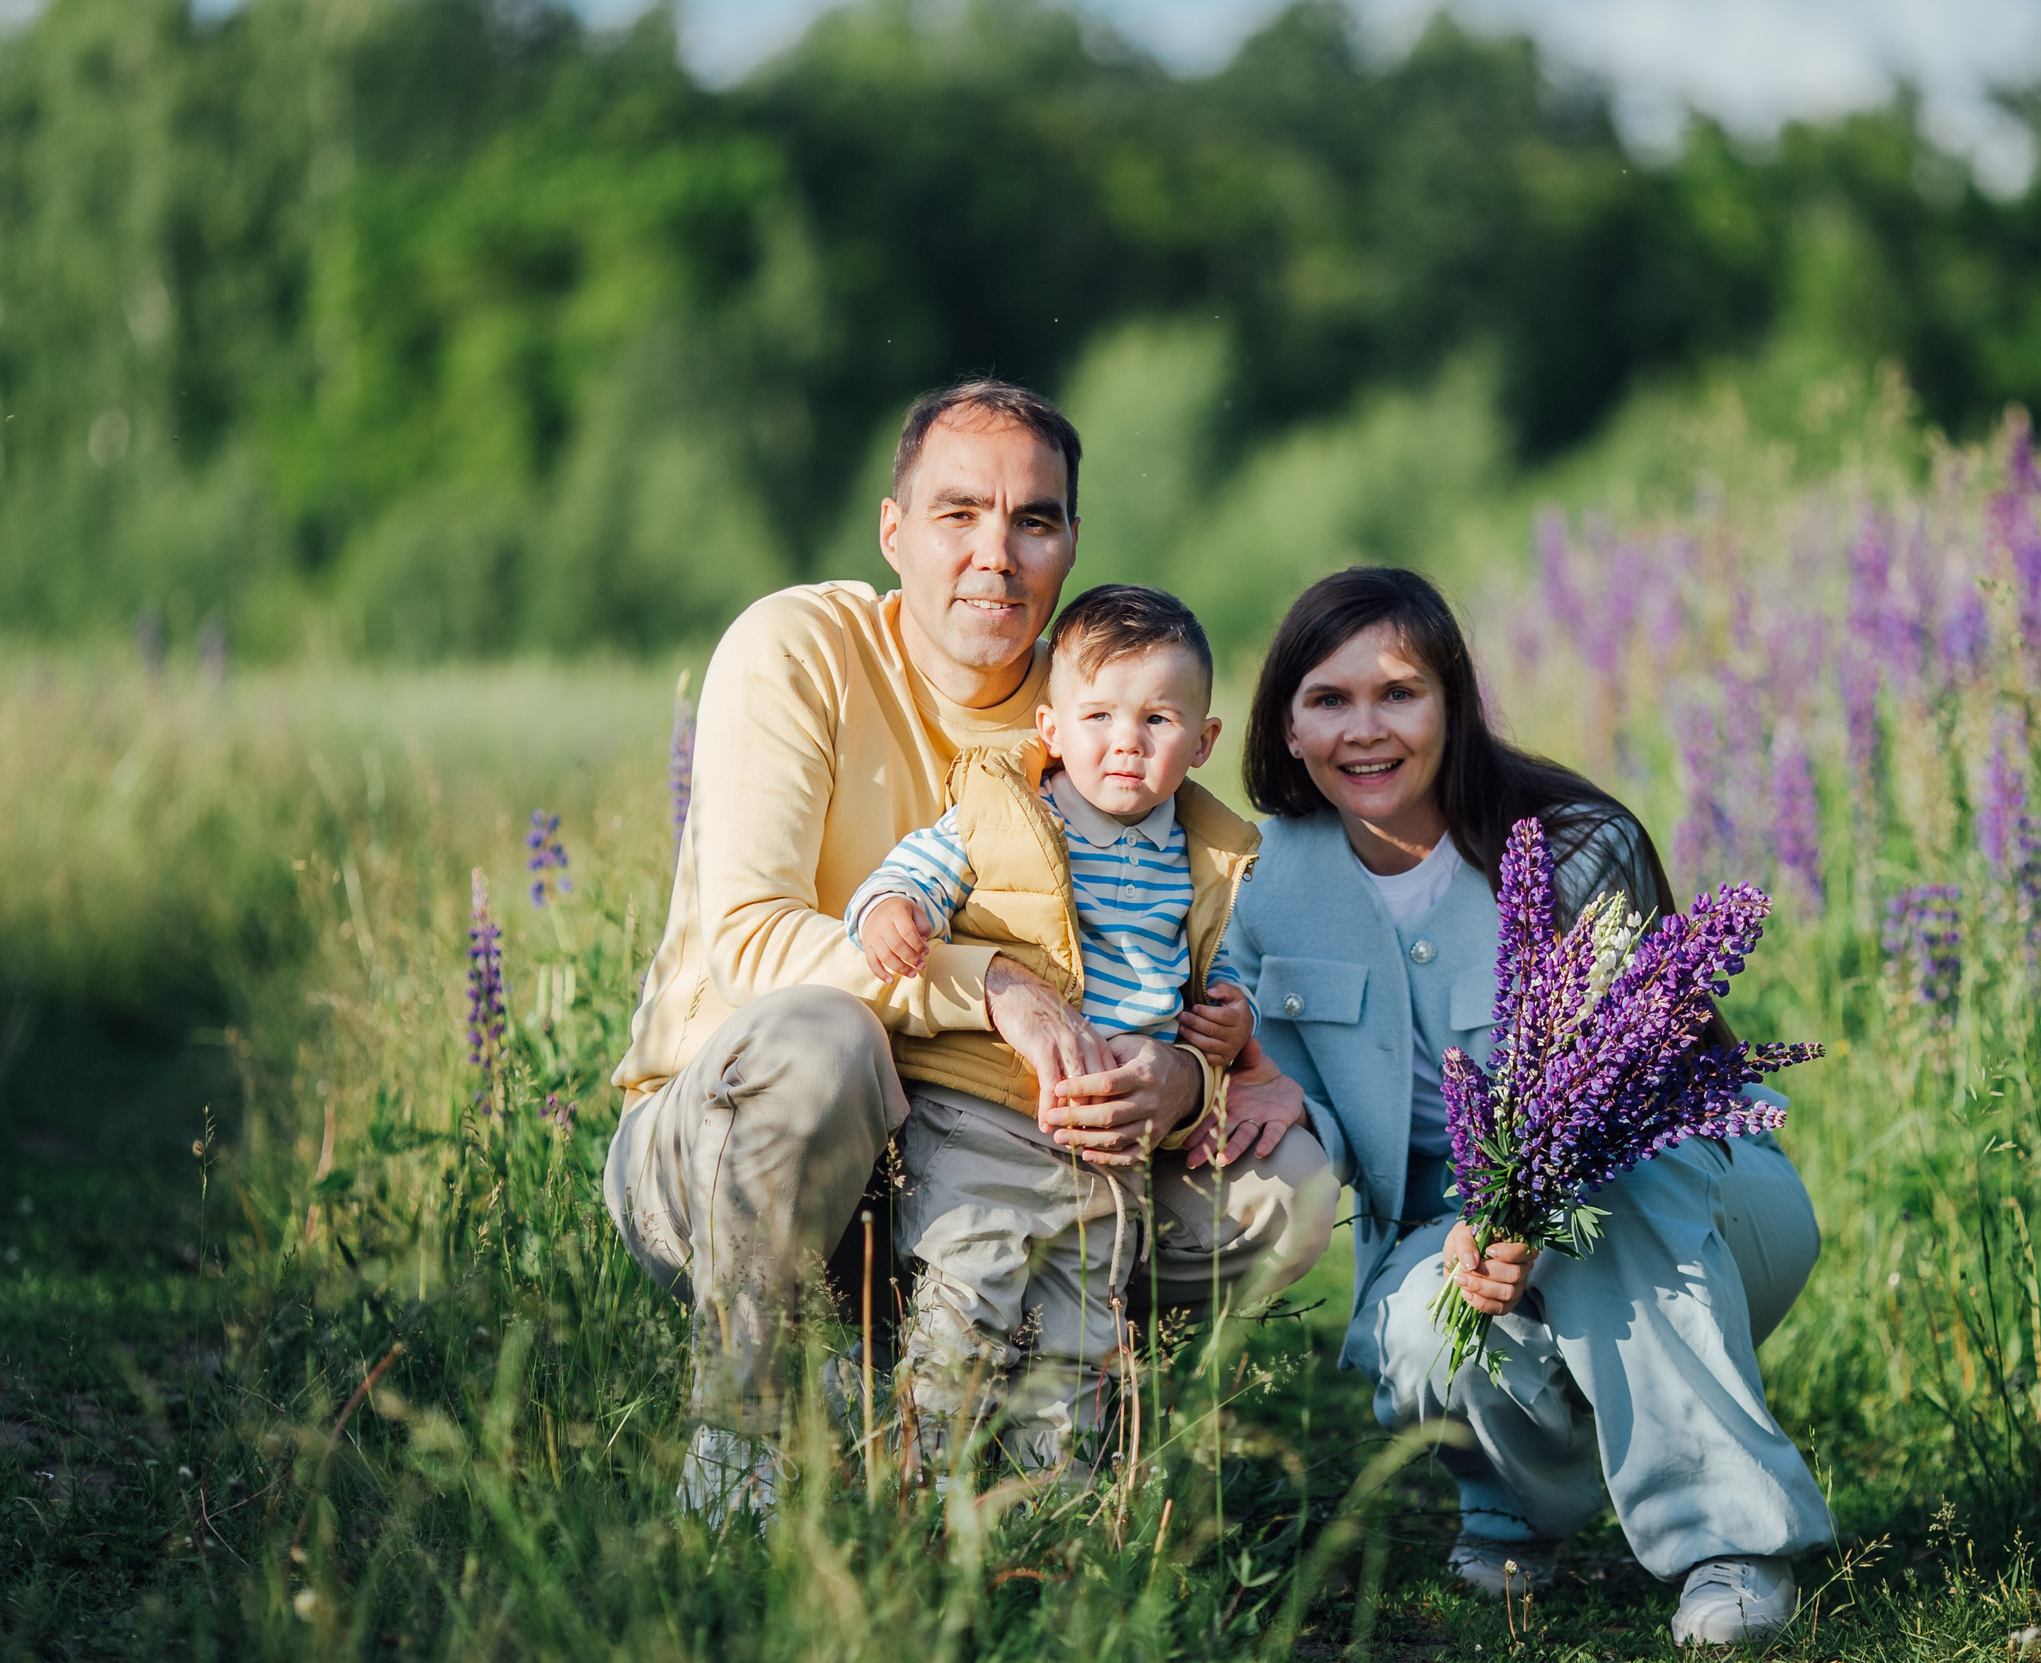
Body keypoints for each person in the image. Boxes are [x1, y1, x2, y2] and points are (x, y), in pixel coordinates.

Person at [601, 381, 1333, 1521]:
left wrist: (1186, 1078)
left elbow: (1196, 925)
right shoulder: (802, 648)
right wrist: (991, 986)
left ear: (1071, 543)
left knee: (1286, 1189)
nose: (997, 553)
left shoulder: (1099, 701)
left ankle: (1034, 1413)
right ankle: (746, 1441)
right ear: (893, 530)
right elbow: (750, 943)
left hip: (1008, 1146)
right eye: (958, 513)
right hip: (727, 1150)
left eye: (1033, 520)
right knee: (823, 1040)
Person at [1228, 567, 1833, 1647]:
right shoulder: (1259, 882)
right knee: (1424, 1332)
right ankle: (1519, 1502)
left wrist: (1527, 1214)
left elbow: (1636, 1089)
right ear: (1286, 724)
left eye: (1398, 693)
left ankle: (1731, 1542)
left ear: (1453, 704)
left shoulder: (1572, 842)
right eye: (1328, 699)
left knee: (1608, 1213)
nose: (1364, 729)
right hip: (1440, 1226)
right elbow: (1299, 1104)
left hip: (1687, 1190)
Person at [847, 582, 1319, 1471]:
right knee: (967, 1299)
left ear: (1203, 741)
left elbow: (1230, 961)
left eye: (1158, 719)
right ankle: (919, 1484)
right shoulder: (1008, 815)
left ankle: (1053, 1501)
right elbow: (913, 872)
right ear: (1052, 727)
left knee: (1082, 1333)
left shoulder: (1209, 856)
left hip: (1110, 1151)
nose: (1127, 741)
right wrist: (890, 911)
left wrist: (1232, 1014)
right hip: (987, 1119)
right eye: (1099, 715)